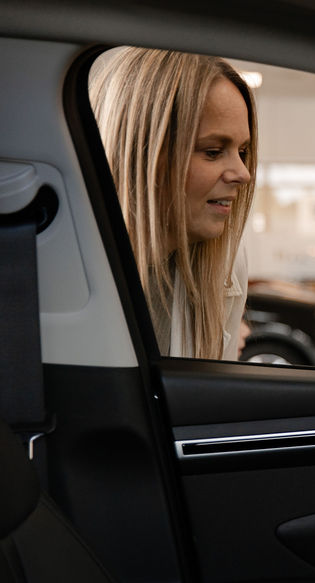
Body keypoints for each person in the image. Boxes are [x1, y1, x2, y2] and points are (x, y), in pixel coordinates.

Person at [89, 47, 258, 360]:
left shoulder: (225, 265)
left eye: (243, 152)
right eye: (212, 151)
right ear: (142, 154)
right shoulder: (63, 270)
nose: (243, 174)